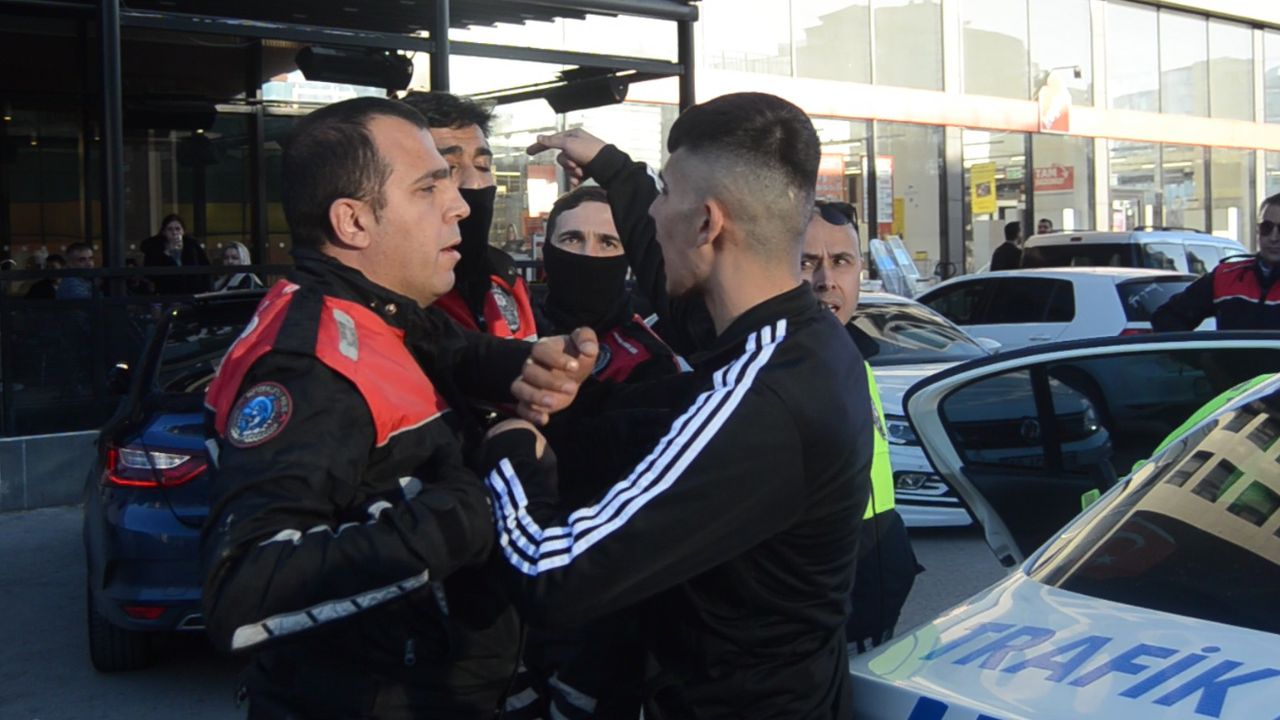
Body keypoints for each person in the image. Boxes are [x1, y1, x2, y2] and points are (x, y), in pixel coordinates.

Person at [484, 92, 873, 719]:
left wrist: (507, 447)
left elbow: (550, 571)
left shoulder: (762, 397)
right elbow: (660, 395)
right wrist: (613, 168)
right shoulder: (801, 342)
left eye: (664, 193)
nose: (652, 212)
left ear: (707, 224)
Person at [199, 96, 591, 719]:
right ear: (353, 222)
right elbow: (246, 589)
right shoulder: (308, 367)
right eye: (429, 187)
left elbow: (451, 349)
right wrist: (483, 498)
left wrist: (529, 365)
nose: (461, 204)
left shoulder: (376, 310)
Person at [804, 200, 921, 653]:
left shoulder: (855, 359)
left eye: (841, 261)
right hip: (819, 627)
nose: (826, 280)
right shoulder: (771, 373)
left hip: (874, 606)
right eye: (806, 263)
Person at [402, 92, 537, 340]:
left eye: (483, 166)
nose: (475, 183)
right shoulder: (394, 296)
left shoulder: (506, 278)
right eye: (448, 168)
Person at [535, 185, 682, 384]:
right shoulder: (515, 328)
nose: (588, 253)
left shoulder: (648, 361)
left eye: (607, 243)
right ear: (546, 250)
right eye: (572, 239)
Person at [1151, 193, 1280, 332]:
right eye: (1266, 227)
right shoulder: (1225, 277)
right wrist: (1199, 347)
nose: (1273, 237)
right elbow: (1166, 318)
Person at [143, 215, 212, 295]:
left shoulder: (192, 246)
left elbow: (206, 268)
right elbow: (151, 274)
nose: (174, 232)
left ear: (183, 231)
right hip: (168, 295)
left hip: (193, 293)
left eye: (177, 229)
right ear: (164, 232)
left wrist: (207, 290)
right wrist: (167, 253)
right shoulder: (156, 249)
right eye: (170, 229)